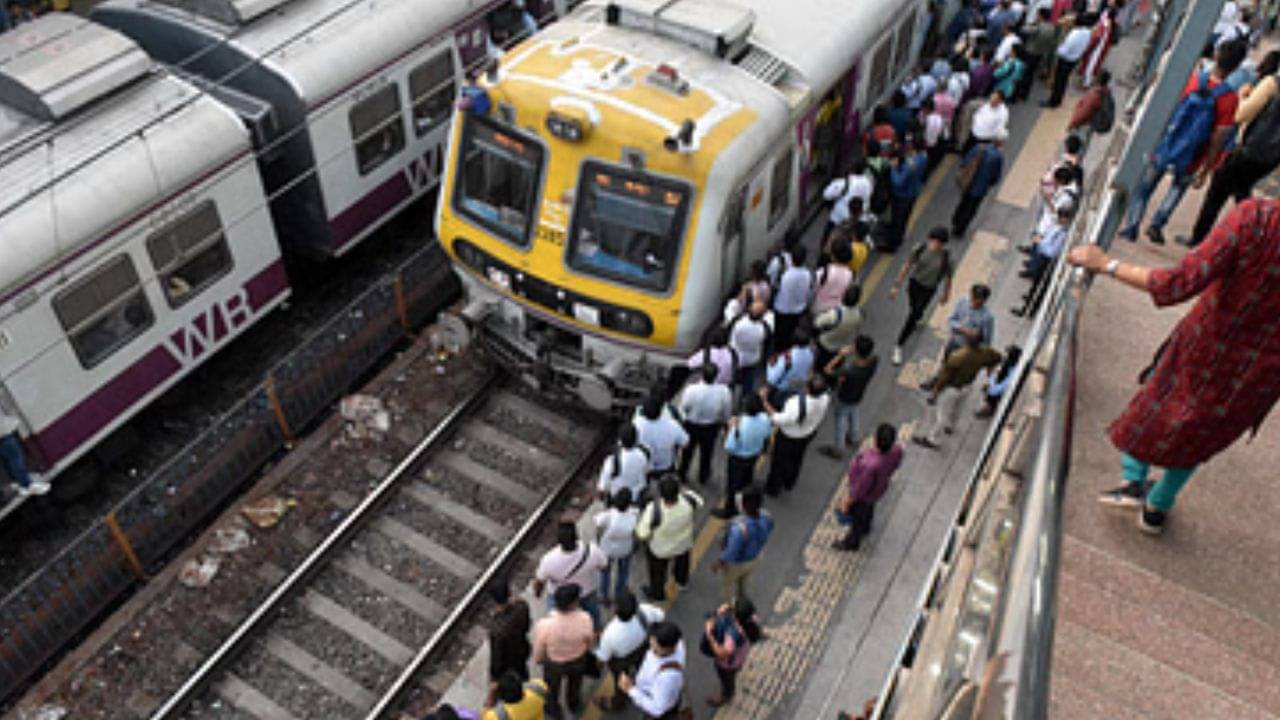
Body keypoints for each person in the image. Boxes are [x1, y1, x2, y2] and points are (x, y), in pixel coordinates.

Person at [1066, 199, 1280, 534]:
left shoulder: (1257, 218)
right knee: (1202, 430)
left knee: (1158, 402)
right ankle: (1158, 506)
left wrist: (1106, 264)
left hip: (1204, 346)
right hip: (1260, 374)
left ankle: (1133, 482)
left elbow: (1177, 283)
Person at [1118, 39, 1246, 245]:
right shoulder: (1230, 99)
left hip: (1166, 145)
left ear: (1215, 56)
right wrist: (1207, 167)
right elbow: (1218, 137)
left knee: (1144, 188)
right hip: (1193, 154)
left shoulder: (1192, 80)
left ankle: (1132, 226)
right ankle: (1157, 224)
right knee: (1178, 188)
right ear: (1237, 67)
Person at [1182, 50, 1280, 247]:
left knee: (1218, 190)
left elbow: (1241, 114)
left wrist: (1243, 95)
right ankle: (1253, 238)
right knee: (1241, 190)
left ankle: (1200, 238)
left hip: (1249, 149)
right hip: (1271, 158)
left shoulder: (1272, 84)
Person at [914, 335, 1003, 449]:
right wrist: (989, 370)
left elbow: (943, 379)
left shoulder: (957, 357)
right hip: (968, 386)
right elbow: (998, 358)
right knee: (958, 408)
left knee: (942, 414)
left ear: (967, 341)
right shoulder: (985, 352)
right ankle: (950, 426)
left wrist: (934, 393)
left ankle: (933, 439)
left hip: (953, 388)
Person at [833, 423, 904, 551]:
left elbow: (859, 490)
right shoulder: (896, 451)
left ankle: (852, 543)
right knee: (869, 510)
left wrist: (846, 503)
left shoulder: (869, 465)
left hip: (864, 496)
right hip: (878, 489)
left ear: (876, 440)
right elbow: (896, 465)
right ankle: (866, 527)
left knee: (858, 519)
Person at [890, 227, 954, 366]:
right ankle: (918, 316)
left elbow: (948, 277)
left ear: (942, 244)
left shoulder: (946, 258)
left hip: (929, 289)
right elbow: (907, 266)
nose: (934, 244)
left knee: (913, 314)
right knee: (914, 307)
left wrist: (946, 294)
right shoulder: (920, 249)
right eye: (932, 240)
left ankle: (899, 345)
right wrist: (896, 285)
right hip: (914, 284)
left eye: (937, 242)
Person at [593, 591, 665, 712]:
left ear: (615, 610)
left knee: (621, 681)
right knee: (642, 668)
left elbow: (603, 658)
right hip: (642, 649)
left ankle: (618, 703)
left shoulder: (609, 634)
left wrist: (596, 667)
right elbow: (660, 616)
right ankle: (645, 686)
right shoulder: (644, 611)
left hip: (621, 661)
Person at [635, 476, 703, 601]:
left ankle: (658, 593)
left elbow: (642, 533)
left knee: (657, 573)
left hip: (660, 549)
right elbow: (700, 502)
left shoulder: (654, 509)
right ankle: (681, 582)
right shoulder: (688, 500)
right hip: (683, 543)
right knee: (683, 563)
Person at [761, 376, 831, 496]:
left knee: (779, 462)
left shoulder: (795, 404)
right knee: (797, 458)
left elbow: (778, 419)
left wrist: (764, 401)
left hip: (789, 436)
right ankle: (789, 481)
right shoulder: (825, 398)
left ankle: (772, 488)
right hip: (808, 432)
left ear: (807, 389)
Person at [531, 585, 594, 719]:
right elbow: (589, 640)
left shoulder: (545, 625)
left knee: (552, 689)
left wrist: (539, 659)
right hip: (578, 660)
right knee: (575, 684)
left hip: (555, 664)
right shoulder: (585, 618)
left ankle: (554, 709)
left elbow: (539, 650)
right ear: (573, 603)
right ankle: (573, 703)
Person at [533, 521, 608, 629]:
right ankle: (596, 629)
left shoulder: (548, 560)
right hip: (585, 592)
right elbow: (605, 567)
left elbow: (539, 582)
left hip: (559, 596)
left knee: (555, 620)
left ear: (558, 541)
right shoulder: (592, 551)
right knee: (593, 613)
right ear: (576, 536)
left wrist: (537, 594)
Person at [712, 488, 774, 602]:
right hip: (755, 557)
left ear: (744, 506)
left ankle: (728, 605)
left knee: (728, 585)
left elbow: (731, 553)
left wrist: (719, 563)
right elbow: (769, 529)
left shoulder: (739, 529)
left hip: (737, 563)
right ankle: (743, 599)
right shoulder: (766, 517)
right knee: (746, 580)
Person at [718, 395, 772, 519]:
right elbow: (767, 434)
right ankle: (745, 502)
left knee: (733, 486)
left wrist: (730, 429)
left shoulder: (740, 425)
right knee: (746, 480)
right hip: (753, 456)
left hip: (738, 459)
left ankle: (730, 509)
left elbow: (729, 446)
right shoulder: (764, 419)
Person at [823, 335, 880, 456]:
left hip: (844, 396)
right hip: (858, 394)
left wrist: (840, 355)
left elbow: (827, 370)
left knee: (840, 419)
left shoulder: (849, 370)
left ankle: (838, 448)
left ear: (857, 350)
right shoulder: (874, 360)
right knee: (853, 411)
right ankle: (854, 437)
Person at [618, 622, 686, 719]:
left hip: (654, 701)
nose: (651, 645)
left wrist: (630, 689)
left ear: (666, 648)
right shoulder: (677, 643)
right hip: (657, 693)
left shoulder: (667, 678)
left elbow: (657, 709)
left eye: (655, 646)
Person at [678, 363, 732, 486]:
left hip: (691, 425)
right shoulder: (724, 391)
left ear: (702, 374)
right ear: (716, 376)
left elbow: (683, 408)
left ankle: (682, 474)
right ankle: (703, 476)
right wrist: (724, 424)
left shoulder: (691, 390)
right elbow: (726, 411)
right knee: (707, 453)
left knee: (687, 452)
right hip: (711, 427)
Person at [702, 599, 759, 708]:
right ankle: (728, 689)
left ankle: (726, 694)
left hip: (727, 664)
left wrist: (710, 636)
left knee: (727, 679)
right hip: (740, 656)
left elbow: (723, 653)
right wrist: (727, 607)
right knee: (731, 674)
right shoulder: (751, 619)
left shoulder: (733, 635)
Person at [951, 131, 1006, 237]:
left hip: (968, 182)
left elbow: (965, 161)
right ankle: (960, 229)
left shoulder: (979, 147)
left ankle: (956, 220)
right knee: (971, 208)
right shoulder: (998, 157)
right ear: (1002, 142)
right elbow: (996, 176)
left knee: (963, 202)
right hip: (980, 188)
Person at [486, 577, 532, 695]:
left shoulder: (496, 628)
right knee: (522, 670)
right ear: (509, 592)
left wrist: (494, 676)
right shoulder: (522, 606)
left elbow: (496, 657)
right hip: (522, 648)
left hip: (507, 664)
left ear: (493, 600)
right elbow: (527, 626)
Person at [595, 489, 639, 605]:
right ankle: (619, 593)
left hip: (607, 550)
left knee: (605, 574)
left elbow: (598, 528)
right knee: (623, 572)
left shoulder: (608, 516)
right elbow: (635, 534)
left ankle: (604, 596)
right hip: (625, 549)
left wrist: (599, 541)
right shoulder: (634, 515)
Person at [1044, 13, 1095, 108]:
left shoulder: (1074, 34)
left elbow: (1063, 51)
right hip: (1074, 59)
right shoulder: (1087, 32)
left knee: (1059, 81)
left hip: (1065, 60)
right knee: (1063, 81)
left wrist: (1058, 48)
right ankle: (1058, 99)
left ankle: (1053, 102)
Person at [813, 284, 865, 376]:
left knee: (819, 367)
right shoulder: (860, 314)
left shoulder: (836, 314)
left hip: (825, 344)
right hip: (840, 346)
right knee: (833, 367)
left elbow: (817, 323)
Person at [634, 395, 689, 479]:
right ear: (660, 411)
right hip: (665, 466)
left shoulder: (636, 424)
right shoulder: (672, 425)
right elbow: (685, 443)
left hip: (644, 466)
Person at [887, 144, 928, 250]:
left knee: (898, 219)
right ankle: (899, 237)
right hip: (912, 193)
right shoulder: (923, 158)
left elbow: (898, 182)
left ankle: (893, 244)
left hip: (902, 196)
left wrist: (893, 169)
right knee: (904, 218)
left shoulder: (908, 166)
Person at [772, 244, 812, 349]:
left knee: (779, 334)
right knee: (790, 331)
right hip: (798, 309)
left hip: (782, 308)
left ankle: (778, 349)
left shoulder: (785, 275)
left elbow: (774, 285)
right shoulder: (807, 274)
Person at [822, 158, 875, 238]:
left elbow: (826, 195)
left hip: (839, 219)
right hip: (860, 219)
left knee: (828, 239)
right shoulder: (869, 183)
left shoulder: (842, 183)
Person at [727, 300, 771, 395]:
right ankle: (745, 399)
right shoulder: (763, 328)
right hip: (752, 358)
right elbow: (766, 343)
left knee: (732, 378)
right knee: (749, 381)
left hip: (736, 356)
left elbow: (729, 334)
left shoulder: (738, 323)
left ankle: (731, 394)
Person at [763, 326, 815, 406]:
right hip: (797, 387)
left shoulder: (787, 358)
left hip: (782, 389)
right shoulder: (811, 354)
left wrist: (769, 366)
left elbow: (772, 379)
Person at [1, 408, 47, 496]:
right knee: (15, 459)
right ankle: (27, 484)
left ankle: (17, 482)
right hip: (4, 435)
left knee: (6, 462)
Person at [598, 423, 648, 504]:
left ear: (620, 441)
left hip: (617, 499)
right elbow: (645, 472)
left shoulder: (612, 460)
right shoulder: (642, 456)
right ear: (636, 439)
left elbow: (602, 487)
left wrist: (602, 497)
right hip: (635, 496)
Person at [1016, 7, 1057, 101]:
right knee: (1030, 74)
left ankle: (1020, 93)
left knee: (1025, 74)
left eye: (1037, 14)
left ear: (1041, 16)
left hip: (1030, 52)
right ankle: (1025, 95)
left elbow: (1023, 29)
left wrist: (1033, 23)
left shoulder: (1038, 27)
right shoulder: (1051, 27)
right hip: (1040, 53)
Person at [945, 284, 995, 357]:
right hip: (954, 343)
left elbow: (987, 341)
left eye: (977, 300)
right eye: (973, 298)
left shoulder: (987, 317)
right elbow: (951, 320)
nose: (973, 302)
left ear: (984, 301)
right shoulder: (963, 301)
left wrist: (976, 337)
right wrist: (963, 329)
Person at [976, 345, 1023, 418]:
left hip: (1000, 388)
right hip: (998, 384)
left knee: (991, 394)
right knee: (990, 392)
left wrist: (991, 384)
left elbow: (1005, 383)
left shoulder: (1012, 368)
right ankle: (988, 406)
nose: (1005, 357)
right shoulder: (1008, 364)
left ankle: (988, 408)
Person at [481, 671, 548, 720]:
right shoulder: (538, 689)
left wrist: (491, 694)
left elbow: (484, 717)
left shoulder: (498, 716)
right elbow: (538, 683)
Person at [811, 243, 855, 316]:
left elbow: (813, 288)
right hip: (835, 311)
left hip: (818, 307)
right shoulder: (850, 274)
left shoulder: (824, 272)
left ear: (833, 257)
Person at [1078, 6, 1115, 88]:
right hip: (1100, 47)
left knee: (1090, 65)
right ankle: (1086, 81)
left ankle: (1086, 83)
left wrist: (1090, 46)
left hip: (1097, 48)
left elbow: (1097, 37)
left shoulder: (1104, 24)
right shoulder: (1109, 24)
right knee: (1092, 65)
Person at [1068, 68, 1113, 132]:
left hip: (1083, 125)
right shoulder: (1106, 93)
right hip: (1092, 124)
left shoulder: (1094, 95)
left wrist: (1072, 124)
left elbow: (1083, 113)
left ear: (1098, 79)